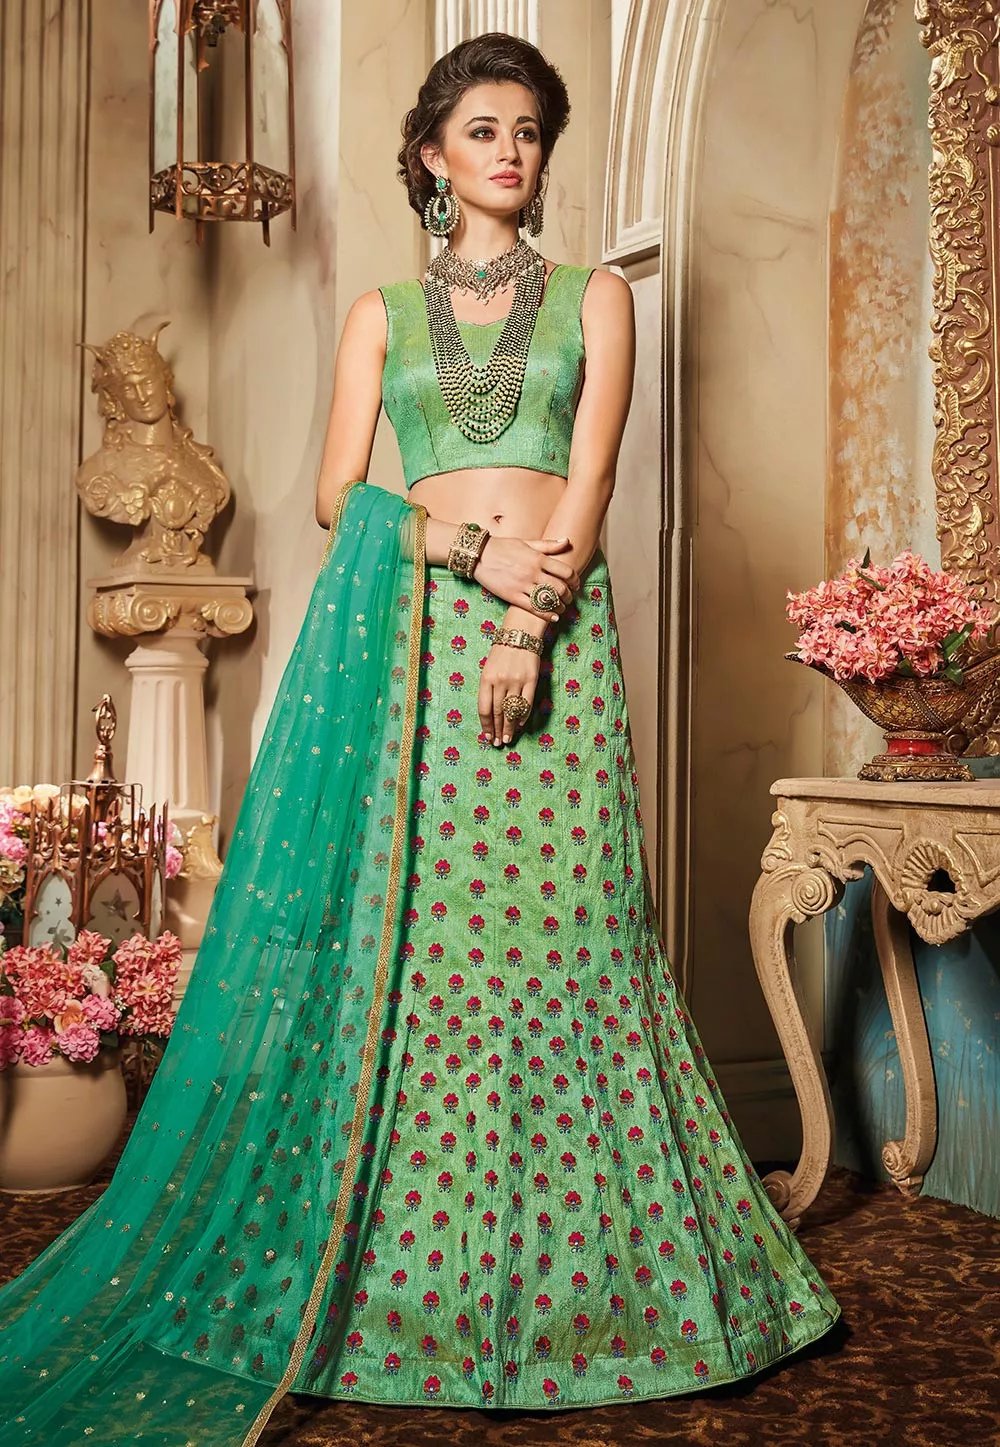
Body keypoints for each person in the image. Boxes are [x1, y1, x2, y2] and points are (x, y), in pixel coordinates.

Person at [0, 32, 840, 1445]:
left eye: (531, 131)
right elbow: (341, 493)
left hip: (554, 634)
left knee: (570, 934)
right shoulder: (383, 313)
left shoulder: (597, 298)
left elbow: (592, 476)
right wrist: (464, 555)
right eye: (485, 129)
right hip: (419, 641)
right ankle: (410, 1284)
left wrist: (529, 621)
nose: (512, 151)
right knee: (431, 942)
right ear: (433, 154)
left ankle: (591, 1286)